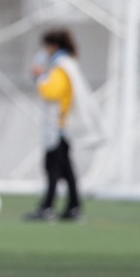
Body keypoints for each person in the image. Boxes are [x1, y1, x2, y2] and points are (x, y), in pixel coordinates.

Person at [23, 29, 87, 222]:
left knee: (53, 167)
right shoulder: (65, 65)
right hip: (63, 125)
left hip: (59, 126)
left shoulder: (60, 67)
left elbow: (51, 93)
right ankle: (73, 207)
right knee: (66, 169)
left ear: (53, 46)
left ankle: (47, 207)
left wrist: (40, 76)